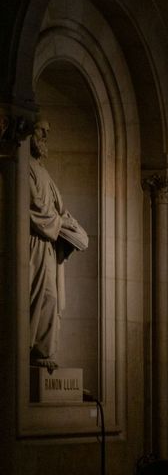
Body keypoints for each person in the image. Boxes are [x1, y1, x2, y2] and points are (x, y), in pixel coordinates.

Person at [27, 118, 90, 370]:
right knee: (38, 296)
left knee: (51, 299)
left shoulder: (45, 173)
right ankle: (29, 352)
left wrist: (73, 227)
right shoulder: (24, 168)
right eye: (41, 130)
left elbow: (59, 209)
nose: (45, 135)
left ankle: (43, 353)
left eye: (47, 132)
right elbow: (36, 209)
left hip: (49, 247)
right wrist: (64, 227)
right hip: (34, 246)